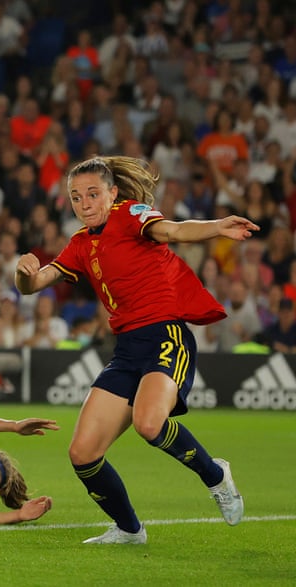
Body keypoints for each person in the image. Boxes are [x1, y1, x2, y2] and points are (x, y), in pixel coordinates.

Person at [14, 155, 251, 544]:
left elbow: (171, 231)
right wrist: (22, 275)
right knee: (83, 453)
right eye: (76, 197)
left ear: (113, 193)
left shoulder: (130, 215)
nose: (84, 203)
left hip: (165, 336)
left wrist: (216, 227)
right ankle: (129, 530)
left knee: (149, 423)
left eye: (93, 194)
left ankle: (216, 476)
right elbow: (36, 283)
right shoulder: (78, 245)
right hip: (126, 350)